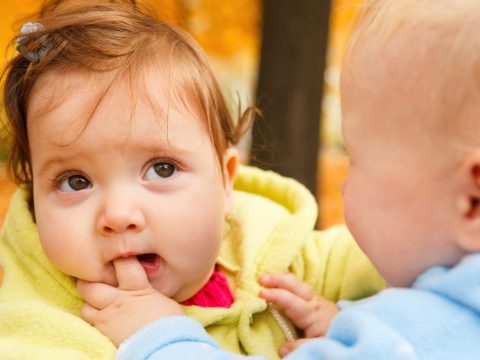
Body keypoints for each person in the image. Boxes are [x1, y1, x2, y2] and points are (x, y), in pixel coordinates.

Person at [85, 0, 480, 358]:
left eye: (355, 158)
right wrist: (345, 327)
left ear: (471, 202)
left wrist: (159, 336)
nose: (344, 184)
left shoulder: (419, 337)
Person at [0, 0, 384, 358]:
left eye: (162, 168)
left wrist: (352, 328)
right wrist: (157, 337)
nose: (118, 214)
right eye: (75, 181)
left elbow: (410, 257)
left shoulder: (274, 257)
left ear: (226, 182)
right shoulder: (42, 335)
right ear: (36, 200)